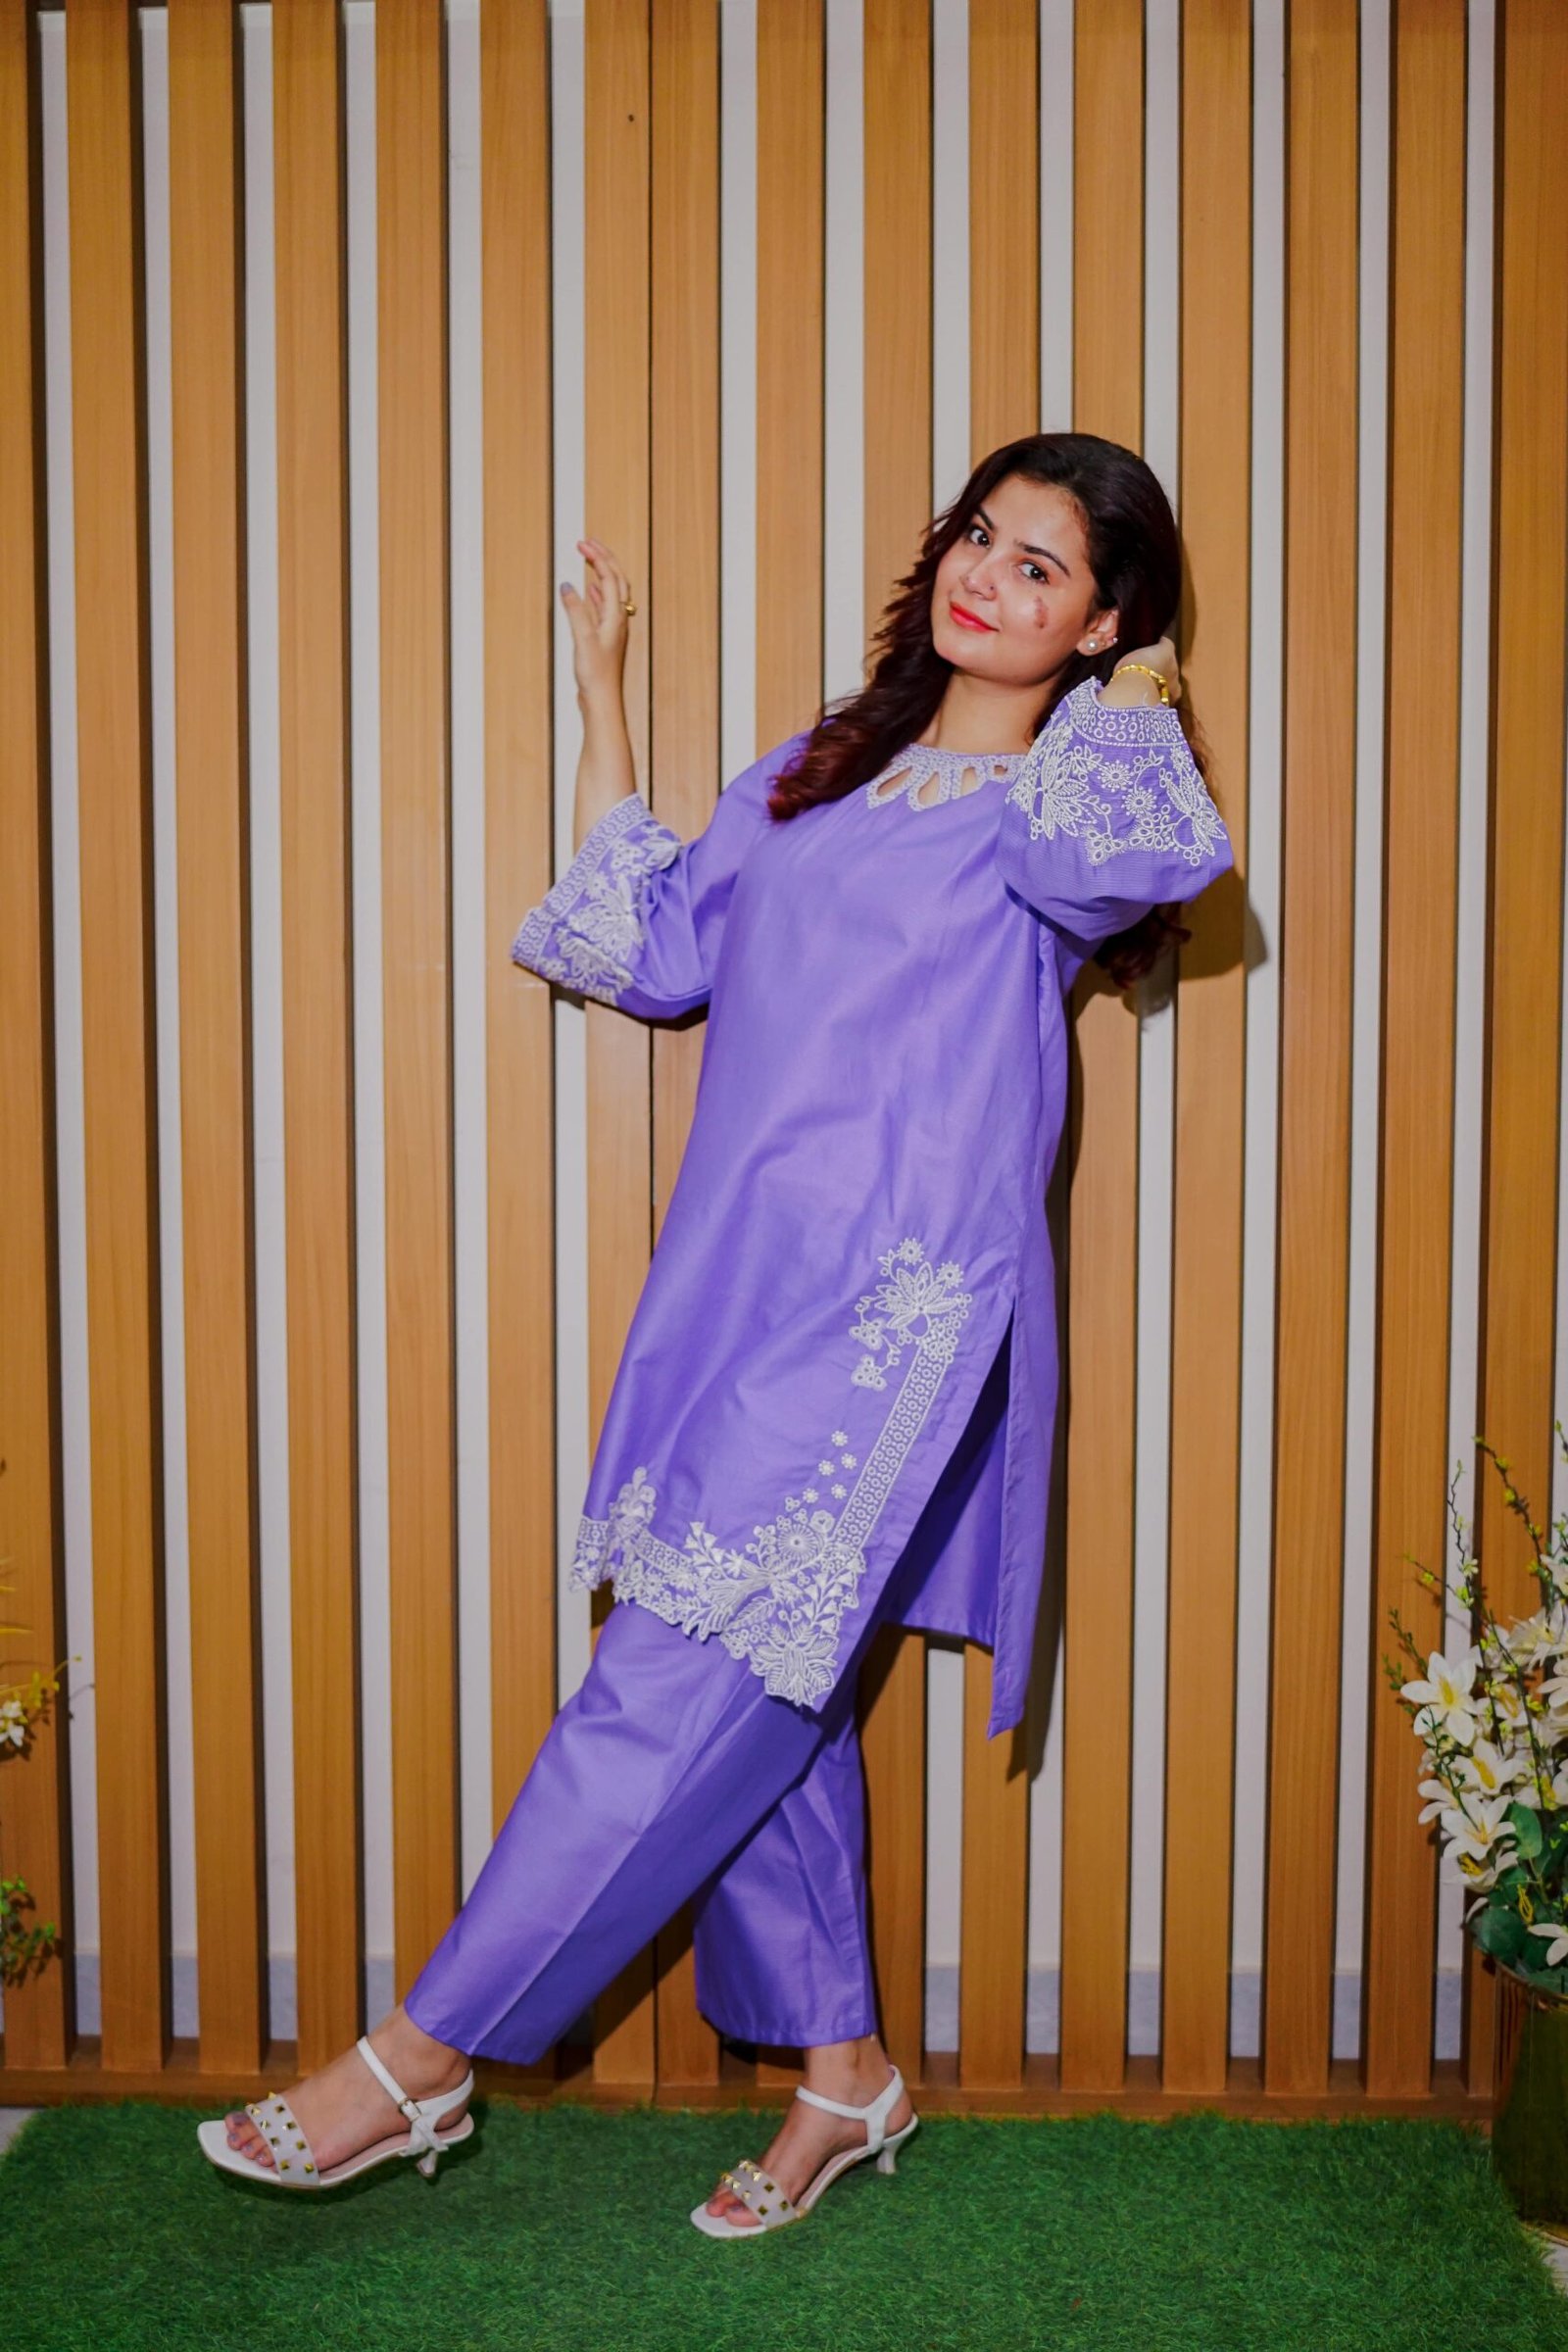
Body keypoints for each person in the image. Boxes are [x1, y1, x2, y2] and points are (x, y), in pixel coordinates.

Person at [197, 430, 1235, 2231]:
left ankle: (421, 2055)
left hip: (895, 1310)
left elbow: (1148, 862)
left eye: (1044, 566)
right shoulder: (828, 766)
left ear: (1098, 620)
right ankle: (847, 2073)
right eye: (979, 534)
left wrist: (1138, 675)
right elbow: (655, 942)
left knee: (673, 1680)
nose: (986, 574)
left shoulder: (1063, 806)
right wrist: (601, 692)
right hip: (739, 1283)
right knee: (765, 1679)